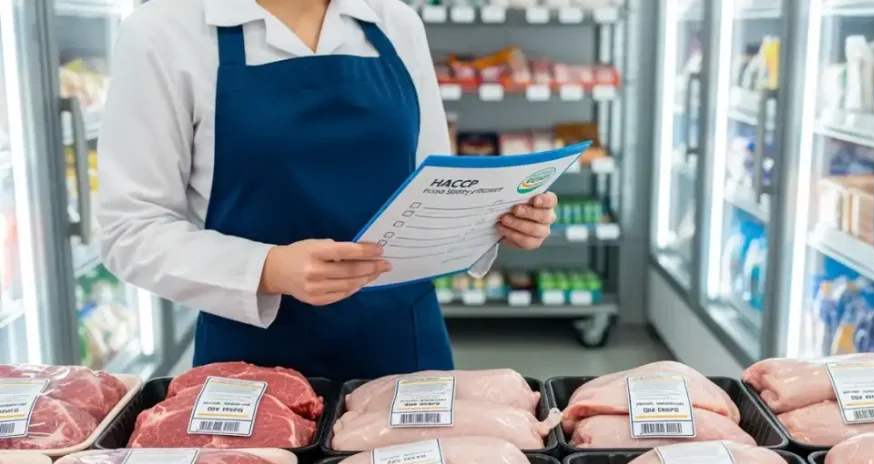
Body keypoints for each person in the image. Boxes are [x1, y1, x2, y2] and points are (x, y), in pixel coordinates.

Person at [97, 0, 558, 381]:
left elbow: (435, 184)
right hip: (253, 356)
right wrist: (269, 269)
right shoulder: (165, 31)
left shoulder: (394, 22)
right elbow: (131, 229)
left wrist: (498, 219)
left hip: (403, 344)